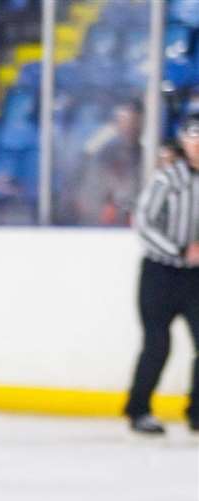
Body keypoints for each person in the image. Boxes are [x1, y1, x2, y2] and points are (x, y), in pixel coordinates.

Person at [124, 114, 199, 437]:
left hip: (195, 278)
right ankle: (138, 409)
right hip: (160, 273)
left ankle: (196, 412)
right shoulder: (167, 180)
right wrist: (180, 250)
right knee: (157, 343)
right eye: (193, 141)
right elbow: (143, 224)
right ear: (184, 144)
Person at [72, 101, 143, 227]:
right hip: (104, 227)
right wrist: (104, 208)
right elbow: (89, 193)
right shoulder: (104, 155)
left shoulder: (146, 155)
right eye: (124, 121)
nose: (129, 126)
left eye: (134, 121)